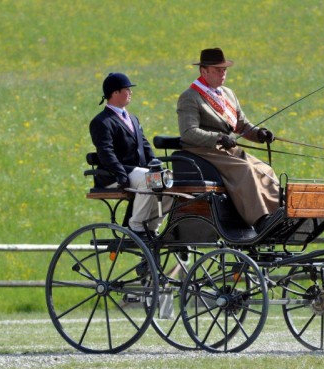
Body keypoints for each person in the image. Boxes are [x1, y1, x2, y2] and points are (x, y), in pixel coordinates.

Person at [177, 48, 279, 232]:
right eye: (217, 70)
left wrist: (259, 134)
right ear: (203, 71)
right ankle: (260, 219)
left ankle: (276, 214)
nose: (222, 74)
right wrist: (218, 138)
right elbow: (188, 133)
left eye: (224, 69)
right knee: (245, 169)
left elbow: (241, 124)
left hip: (226, 149)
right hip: (204, 151)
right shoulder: (190, 97)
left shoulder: (228, 94)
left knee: (265, 170)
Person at [89, 72, 172, 236]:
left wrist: (156, 164)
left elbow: (145, 145)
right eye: (127, 89)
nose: (131, 92)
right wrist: (120, 174)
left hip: (138, 173)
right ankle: (136, 225)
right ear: (115, 93)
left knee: (168, 181)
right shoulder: (101, 122)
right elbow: (106, 152)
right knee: (149, 180)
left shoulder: (133, 118)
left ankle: (152, 225)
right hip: (114, 175)